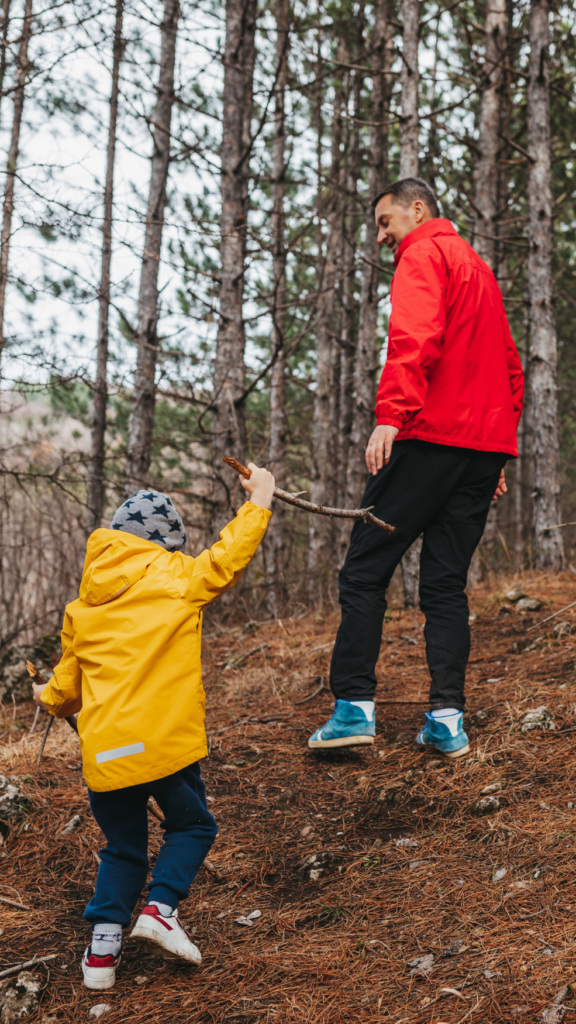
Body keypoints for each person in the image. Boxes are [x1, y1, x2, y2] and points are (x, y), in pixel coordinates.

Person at [33, 467, 275, 991]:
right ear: (168, 542)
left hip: (107, 758)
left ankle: (101, 954)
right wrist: (259, 500)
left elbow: (64, 694)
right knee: (192, 827)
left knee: (123, 850)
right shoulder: (177, 579)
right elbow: (227, 557)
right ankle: (160, 909)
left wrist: (42, 694)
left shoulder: (83, 608)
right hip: (164, 748)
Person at [309, 177, 524, 758]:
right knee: (445, 585)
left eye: (385, 222)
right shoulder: (478, 268)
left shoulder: (423, 252)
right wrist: (497, 450)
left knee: (362, 572)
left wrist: (390, 416)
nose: (382, 236)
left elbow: (414, 337)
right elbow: (510, 367)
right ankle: (447, 721)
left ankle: (353, 708)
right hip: (480, 448)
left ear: (418, 210)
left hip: (429, 438)